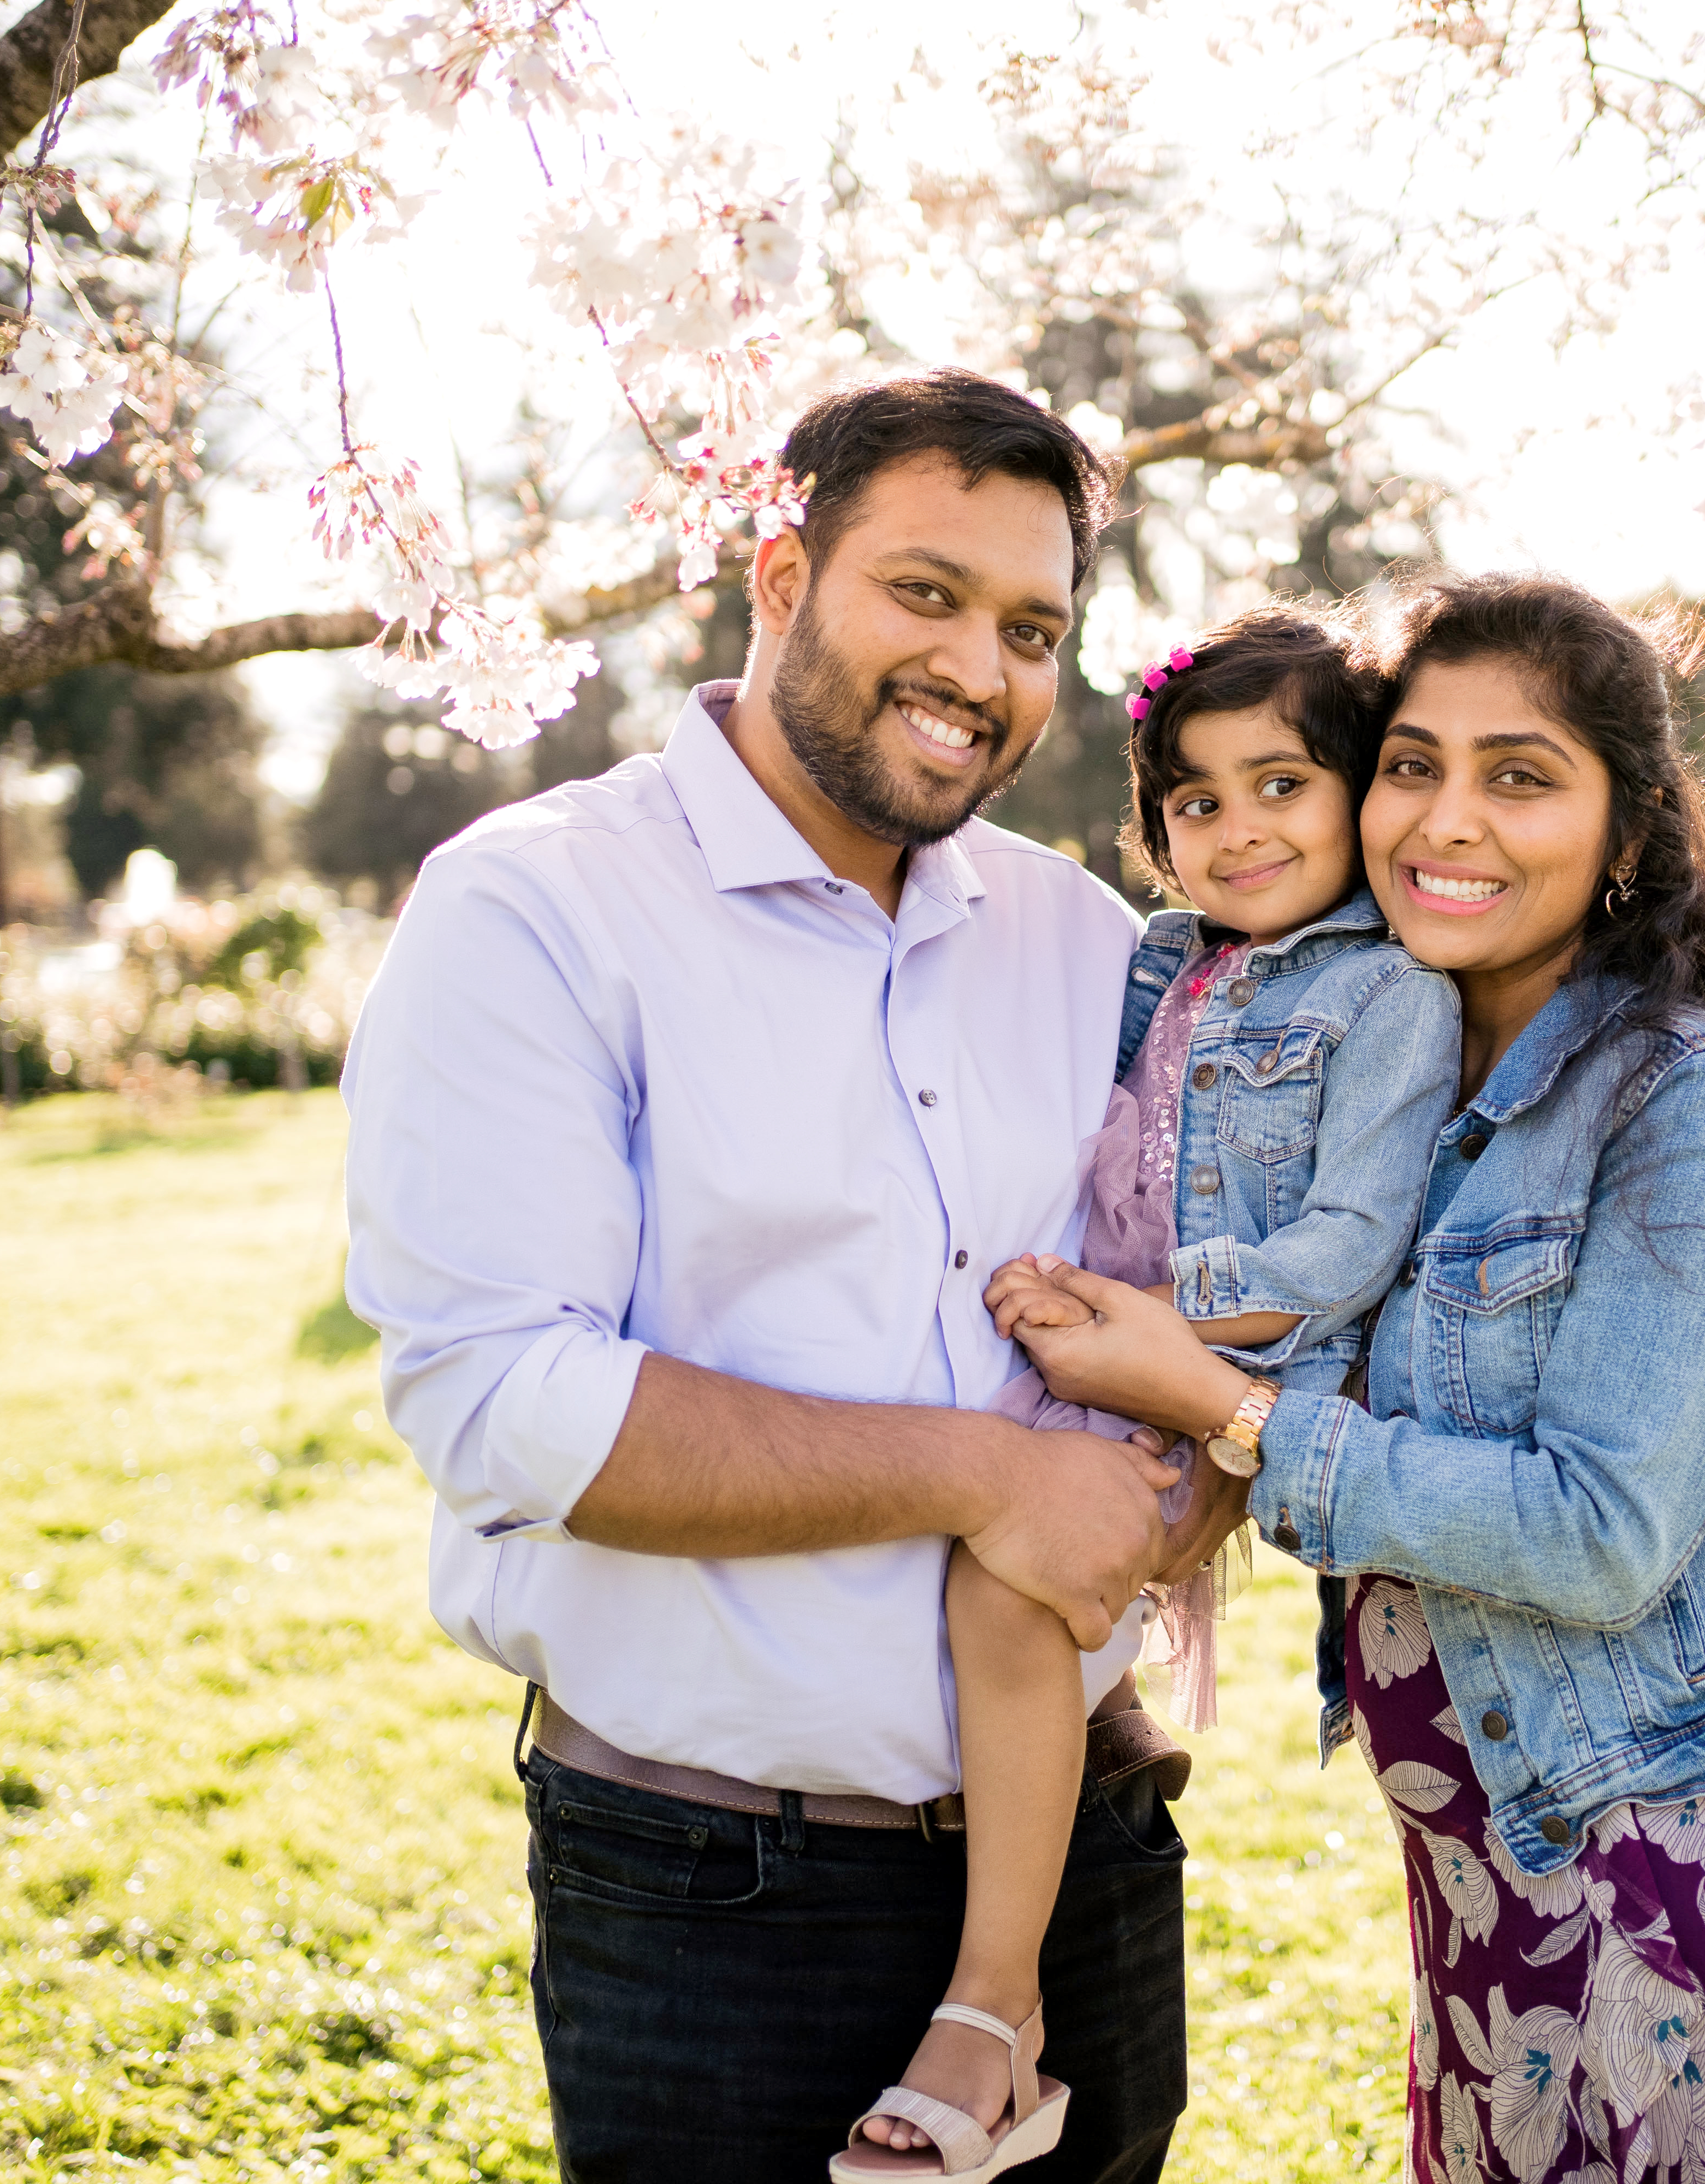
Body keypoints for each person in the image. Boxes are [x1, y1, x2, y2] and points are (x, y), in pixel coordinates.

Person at [342, 367, 1228, 2183]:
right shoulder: (537, 906)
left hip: (1087, 1853)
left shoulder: (1093, 944)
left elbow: (1203, 1306)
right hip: (711, 1895)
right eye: (926, 593)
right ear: (776, 577)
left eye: (1034, 628)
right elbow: (506, 1404)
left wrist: (1182, 1488)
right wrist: (991, 1475)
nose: (982, 673)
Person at [996, 572, 1705, 2181]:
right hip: (1490, 1857)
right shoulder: (1403, 1070)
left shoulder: (1678, 1094)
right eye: (1413, 764)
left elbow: (1599, 1533)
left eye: (1522, 775)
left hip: (1682, 1855)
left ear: (1629, 833)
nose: (1447, 822)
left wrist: (1223, 1405)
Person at [843, 607, 1456, 2178]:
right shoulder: (1165, 955)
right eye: (1196, 802)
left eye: (1282, 787)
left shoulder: (1390, 991)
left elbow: (1346, 1246)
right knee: (996, 1584)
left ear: (1358, 798)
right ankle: (1005, 2002)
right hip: (1114, 1347)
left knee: (1014, 1585)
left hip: (1230, 1372)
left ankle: (991, 2005)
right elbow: (1101, 1130)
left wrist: (1141, 1316)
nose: (1238, 831)